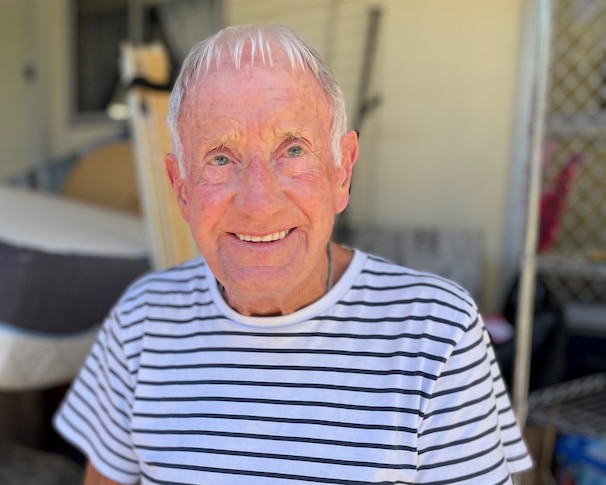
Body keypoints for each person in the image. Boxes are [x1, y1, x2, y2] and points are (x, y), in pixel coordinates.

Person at [54, 24, 532, 484]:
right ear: (181, 187)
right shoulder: (141, 320)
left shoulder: (437, 331)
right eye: (220, 157)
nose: (259, 204)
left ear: (341, 172)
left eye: (293, 150)